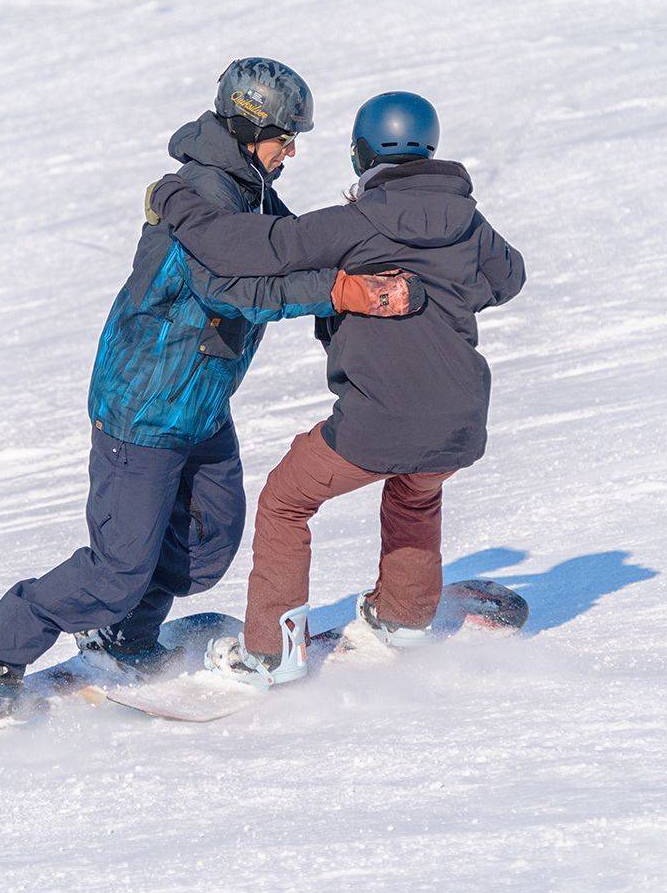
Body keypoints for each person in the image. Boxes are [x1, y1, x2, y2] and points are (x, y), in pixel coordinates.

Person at [0, 61, 425, 722]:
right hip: (144, 409)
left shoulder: (251, 191)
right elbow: (232, 290)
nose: (291, 152)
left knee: (206, 549)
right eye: (285, 137)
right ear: (249, 127)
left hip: (200, 406)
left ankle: (122, 634)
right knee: (117, 570)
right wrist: (337, 291)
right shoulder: (203, 197)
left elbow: (298, 246)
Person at [146, 91, 526, 686]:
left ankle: (272, 653)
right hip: (459, 420)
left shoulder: (356, 224)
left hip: (378, 422)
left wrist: (173, 199)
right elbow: (509, 277)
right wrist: (446, 292)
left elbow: (248, 248)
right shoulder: (469, 224)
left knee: (285, 501)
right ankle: (404, 619)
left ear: (361, 154)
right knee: (416, 493)